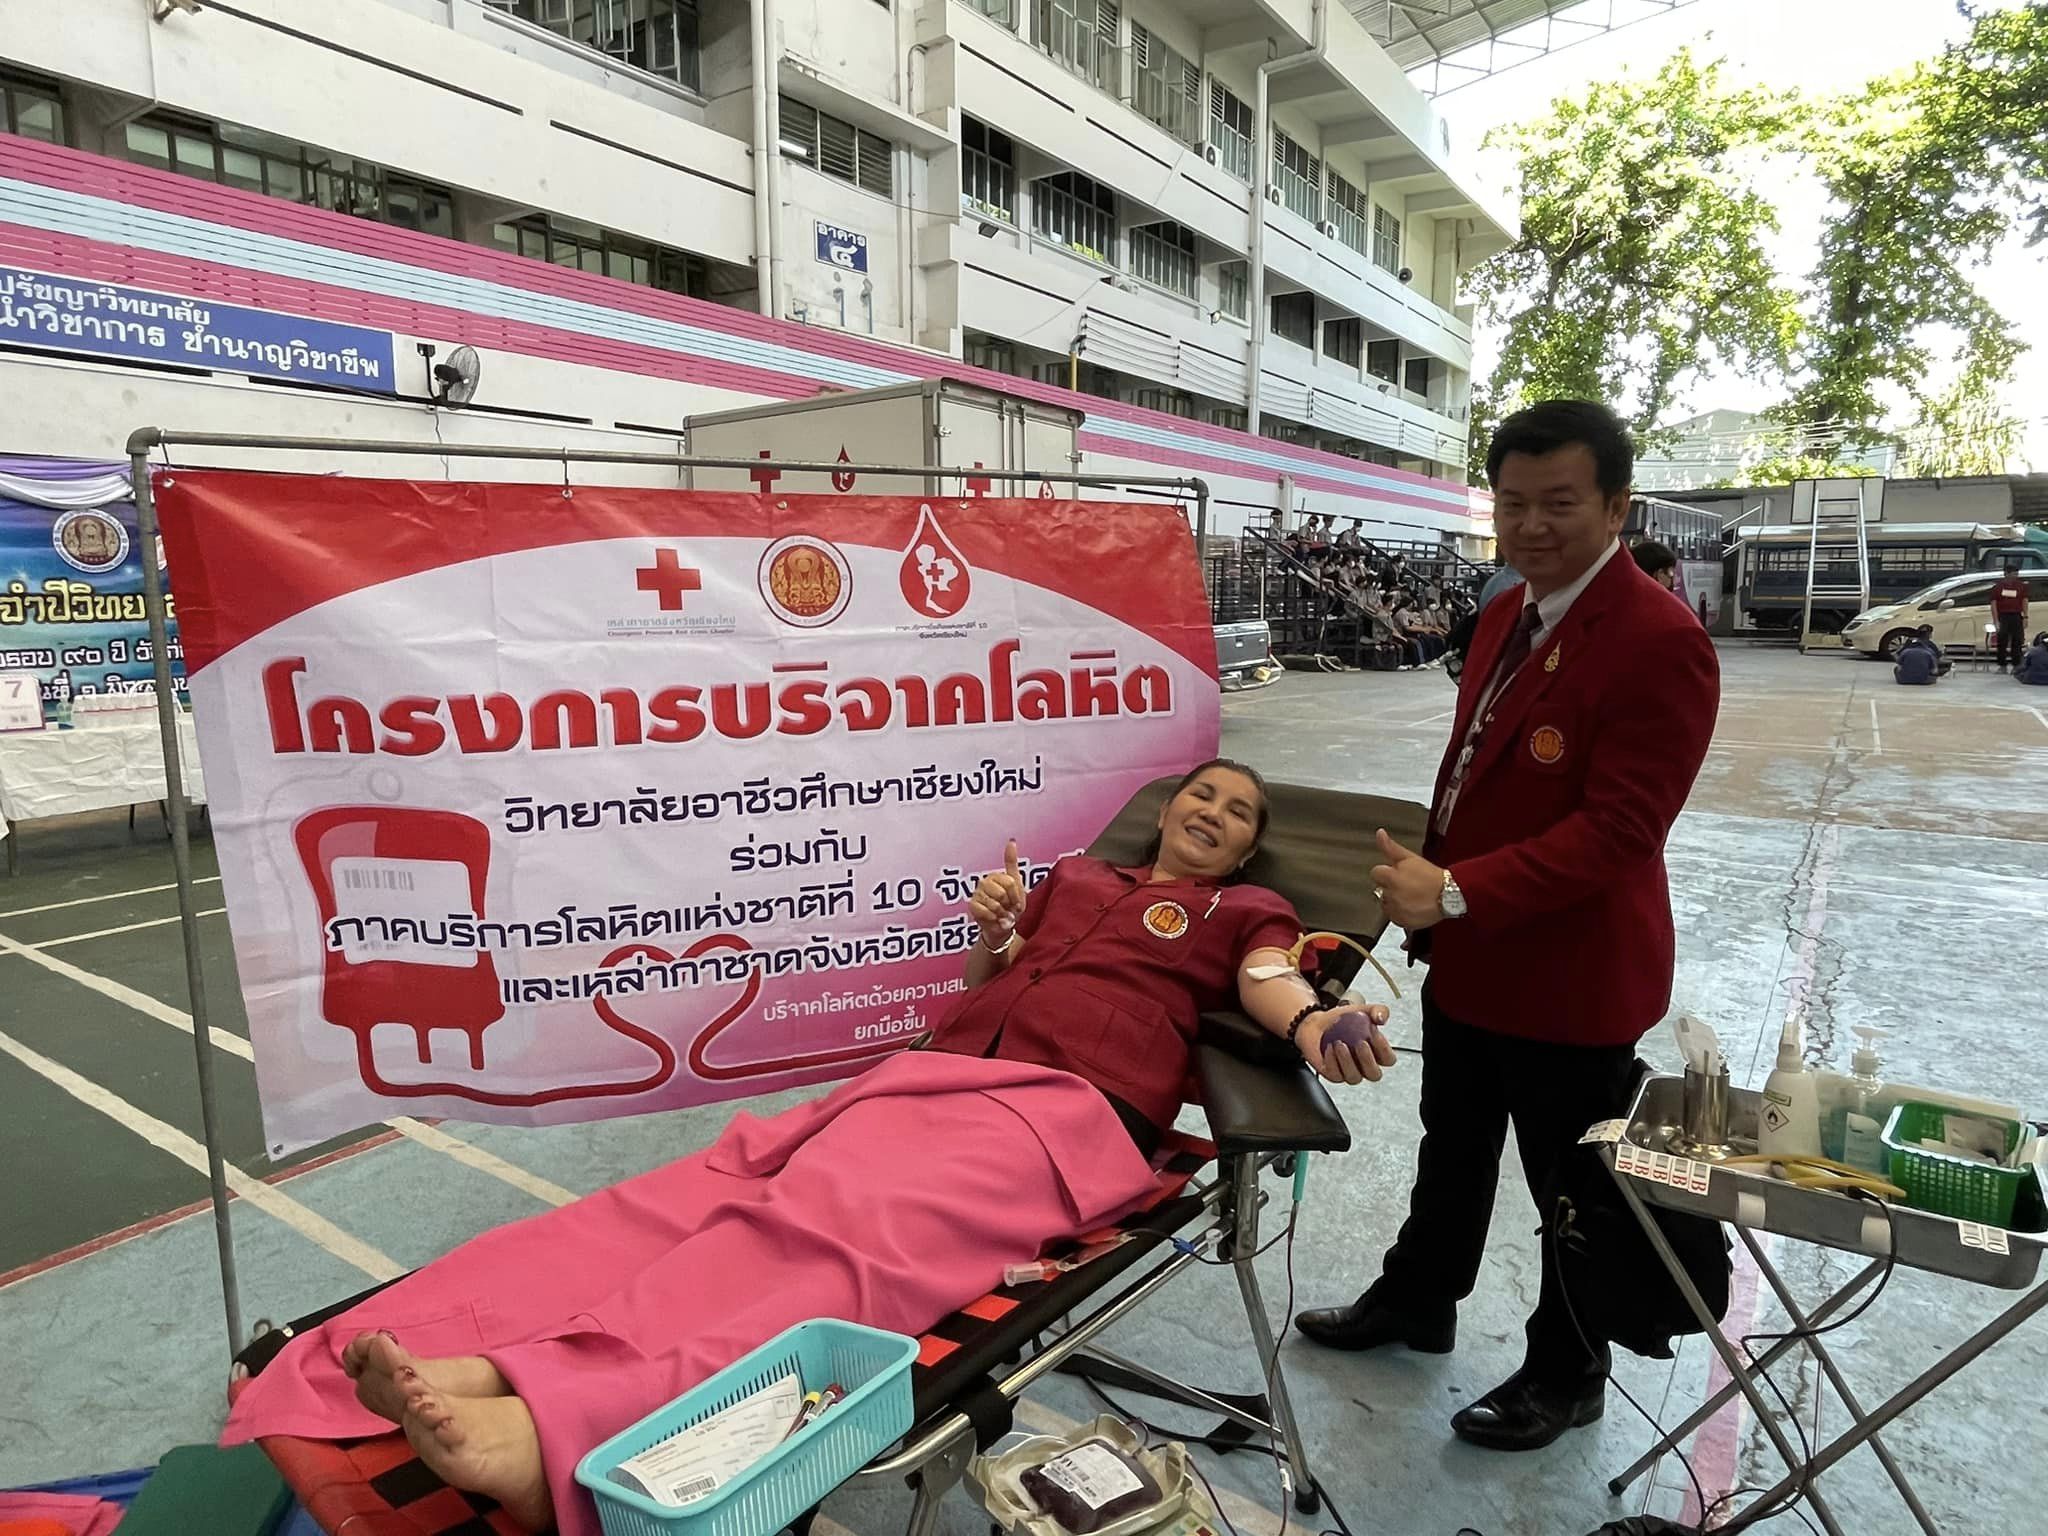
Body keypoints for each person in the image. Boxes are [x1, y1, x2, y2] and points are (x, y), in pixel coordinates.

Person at [227, 762, 1396, 1536]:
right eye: (1202, 793)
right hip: (931, 1080)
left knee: (831, 1240)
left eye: (1237, 811)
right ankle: (483, 1352)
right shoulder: (1078, 878)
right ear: (1168, 808)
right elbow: (983, 985)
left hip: (1061, 1115)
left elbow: (1270, 983)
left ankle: (552, 1424)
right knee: (697, 1196)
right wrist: (993, 935)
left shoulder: (1241, 915)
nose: (1213, 810)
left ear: (1247, 851)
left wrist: (1318, 1023)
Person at [1296, 399, 1720, 1453]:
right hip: (1475, 952)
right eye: (1512, 503)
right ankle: (1419, 1298)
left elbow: (1620, 831)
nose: (1531, 526)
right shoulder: (1503, 612)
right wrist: (1436, 893)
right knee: (1452, 1144)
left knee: (1570, 1188)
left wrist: (1453, 890)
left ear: (1616, 506)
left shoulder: (1659, 640)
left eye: (1559, 504)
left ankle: (1570, 1372)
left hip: (1571, 974)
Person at [1991, 560, 2029, 673]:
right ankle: (2002, 665)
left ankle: (2016, 665)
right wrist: (1996, 620)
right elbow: (1993, 604)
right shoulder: (1998, 587)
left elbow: (2024, 601)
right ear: (2006, 574)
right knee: (2002, 640)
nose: (2015, 576)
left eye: (2017, 574)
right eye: (2013, 574)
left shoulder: (2020, 586)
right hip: (2003, 616)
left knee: (2017, 640)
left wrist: (2025, 616)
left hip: (2016, 616)